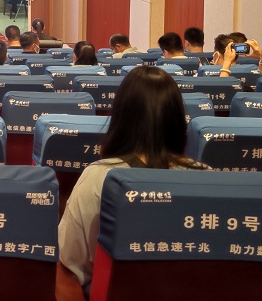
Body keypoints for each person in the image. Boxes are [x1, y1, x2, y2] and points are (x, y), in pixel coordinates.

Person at [57, 67, 209, 298]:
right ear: (178, 121)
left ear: (121, 118)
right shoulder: (207, 178)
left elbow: (69, 265)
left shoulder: (98, 177)